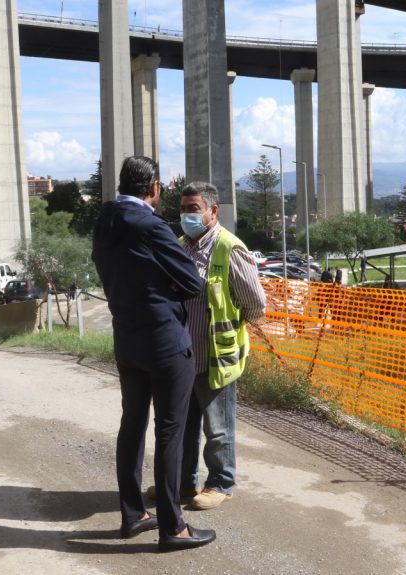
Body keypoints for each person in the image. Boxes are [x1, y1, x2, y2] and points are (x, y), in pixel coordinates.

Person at [91, 155, 216, 552]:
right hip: (165, 343)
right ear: (155, 188)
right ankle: (172, 528)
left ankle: (133, 514)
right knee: (170, 431)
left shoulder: (105, 220)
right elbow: (191, 283)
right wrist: (169, 288)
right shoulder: (151, 224)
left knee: (132, 426)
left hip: (127, 340)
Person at [176, 182, 266, 511]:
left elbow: (256, 304)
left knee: (218, 429)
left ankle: (220, 483)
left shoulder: (229, 248)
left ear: (213, 211)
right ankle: (184, 484)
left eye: (194, 209)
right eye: (184, 209)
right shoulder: (181, 245)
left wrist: (233, 324)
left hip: (217, 357)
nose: (187, 215)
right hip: (184, 356)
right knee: (184, 426)